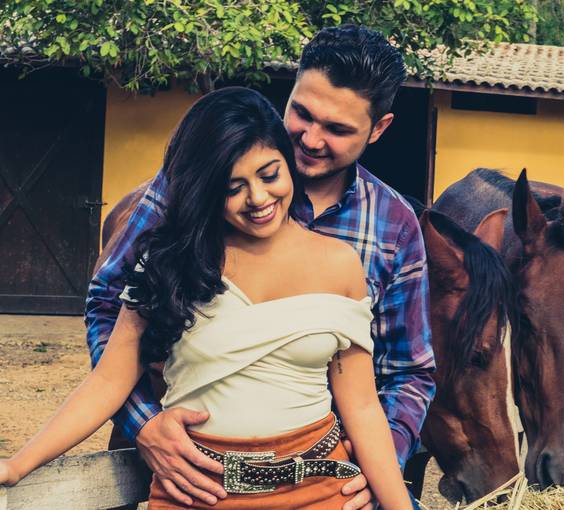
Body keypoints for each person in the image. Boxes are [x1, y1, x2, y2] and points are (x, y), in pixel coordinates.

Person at [0, 87, 413, 510]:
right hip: (197, 492)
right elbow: (107, 382)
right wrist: (16, 466)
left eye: (269, 174)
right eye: (233, 187)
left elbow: (363, 408)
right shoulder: (171, 263)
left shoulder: (340, 264)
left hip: (318, 491)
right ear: (205, 190)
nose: (258, 199)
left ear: (288, 164)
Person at [85, 24, 435, 509]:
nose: (310, 139)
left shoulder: (394, 225)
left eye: (337, 129)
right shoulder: (193, 183)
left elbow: (408, 370)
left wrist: (378, 464)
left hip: (326, 480)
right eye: (302, 113)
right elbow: (110, 304)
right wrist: (144, 423)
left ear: (379, 129)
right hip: (200, 475)